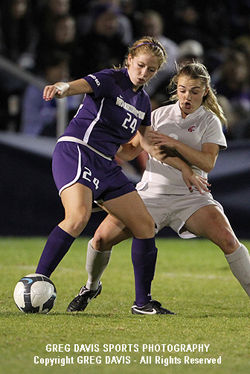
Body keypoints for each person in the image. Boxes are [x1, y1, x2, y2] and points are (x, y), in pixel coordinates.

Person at [68, 61, 250, 315]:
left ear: (206, 90)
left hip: (191, 197)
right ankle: (90, 287)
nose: (188, 96)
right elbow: (131, 150)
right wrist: (104, 139)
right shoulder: (158, 115)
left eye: (195, 91)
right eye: (183, 89)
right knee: (100, 239)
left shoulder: (210, 121)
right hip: (150, 194)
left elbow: (207, 161)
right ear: (177, 88)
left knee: (229, 240)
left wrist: (173, 144)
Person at [36, 36, 200, 315]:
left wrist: (185, 168)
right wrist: (62, 87)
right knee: (77, 217)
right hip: (78, 150)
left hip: (106, 164)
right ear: (129, 61)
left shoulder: (143, 102)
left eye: (150, 70)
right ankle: (37, 280)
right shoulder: (111, 79)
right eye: (140, 65)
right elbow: (78, 85)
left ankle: (142, 303)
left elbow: (146, 146)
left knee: (145, 226)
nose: (143, 73)